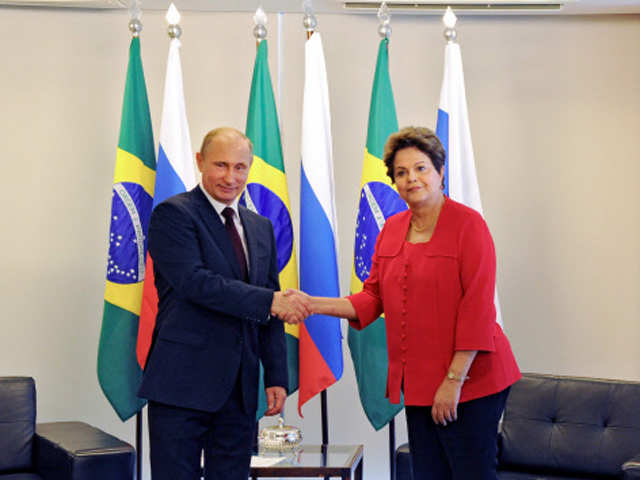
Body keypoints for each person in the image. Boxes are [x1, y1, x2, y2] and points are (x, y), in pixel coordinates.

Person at [289, 126, 521, 480]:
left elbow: (477, 310)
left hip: (472, 379)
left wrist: (453, 381)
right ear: (394, 182)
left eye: (421, 168)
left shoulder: (468, 225)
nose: (412, 178)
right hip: (417, 382)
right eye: (401, 172)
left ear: (440, 172)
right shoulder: (392, 228)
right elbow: (370, 300)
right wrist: (310, 303)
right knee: (428, 473)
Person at [138, 127, 309, 480]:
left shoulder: (261, 227)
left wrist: (276, 375)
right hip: (181, 385)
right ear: (200, 162)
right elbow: (196, 283)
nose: (230, 177)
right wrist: (271, 301)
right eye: (220, 165)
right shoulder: (174, 215)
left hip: (239, 389)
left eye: (240, 167)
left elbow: (270, 308)